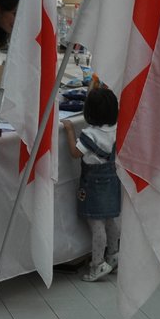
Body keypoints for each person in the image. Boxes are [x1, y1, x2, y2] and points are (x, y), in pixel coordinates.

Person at [64, 87, 120, 283]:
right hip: (112, 180)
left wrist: (70, 130)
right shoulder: (116, 129)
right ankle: (113, 255)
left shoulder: (90, 135)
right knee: (111, 220)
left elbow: (74, 152)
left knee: (97, 225)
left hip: (93, 185)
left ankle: (98, 264)